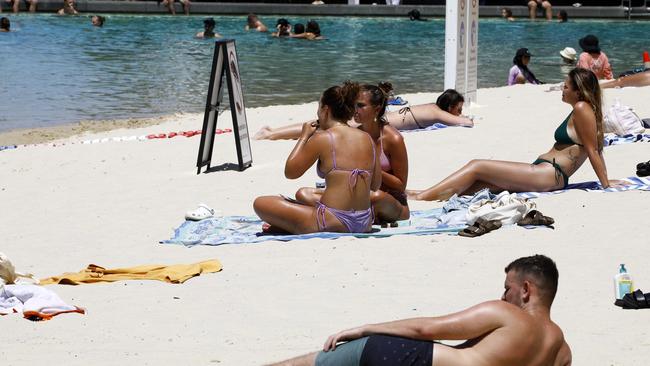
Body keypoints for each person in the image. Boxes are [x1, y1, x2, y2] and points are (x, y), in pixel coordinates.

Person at [268, 254, 572, 366]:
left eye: (507, 288)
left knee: (314, 363)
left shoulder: (508, 315)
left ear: (526, 290)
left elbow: (427, 330)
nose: (502, 295)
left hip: (408, 359)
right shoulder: (561, 352)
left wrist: (363, 328)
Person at [407, 68, 625, 201]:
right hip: (544, 172)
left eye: (566, 86)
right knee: (473, 186)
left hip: (550, 175)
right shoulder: (584, 110)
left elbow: (592, 149)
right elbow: (595, 147)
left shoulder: (581, 109)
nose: (562, 89)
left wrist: (605, 183)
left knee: (478, 166)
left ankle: (420, 196)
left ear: (578, 91)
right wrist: (605, 178)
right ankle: (425, 194)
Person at [253, 81, 381, 234]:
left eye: (319, 109)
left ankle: (294, 226)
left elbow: (291, 172)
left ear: (325, 110)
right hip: (364, 222)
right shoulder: (367, 139)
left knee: (261, 203)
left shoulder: (324, 138)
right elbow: (375, 185)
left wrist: (304, 136)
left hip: (332, 220)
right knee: (302, 200)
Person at [295, 82, 410, 224]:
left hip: (391, 201)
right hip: (358, 197)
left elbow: (400, 185)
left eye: (361, 106)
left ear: (377, 109)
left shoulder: (393, 139)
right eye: (354, 105)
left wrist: (371, 167)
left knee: (376, 196)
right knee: (304, 194)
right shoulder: (356, 134)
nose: (355, 110)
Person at [253, 89, 473, 140]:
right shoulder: (438, 113)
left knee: (324, 124)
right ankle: (271, 135)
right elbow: (464, 123)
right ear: (450, 106)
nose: (459, 112)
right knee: (324, 126)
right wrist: (466, 118)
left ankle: (273, 131)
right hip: (377, 121)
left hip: (380, 118)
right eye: (458, 108)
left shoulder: (430, 106)